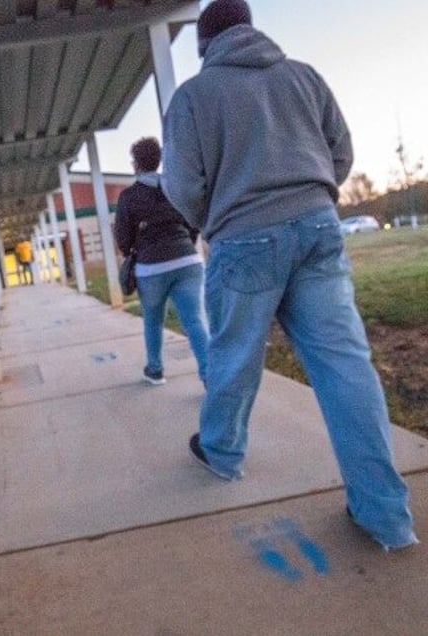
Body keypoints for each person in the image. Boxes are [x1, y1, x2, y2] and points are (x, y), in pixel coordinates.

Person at [161, 0, 417, 549]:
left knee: (235, 357)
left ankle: (224, 453)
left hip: (242, 240)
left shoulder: (193, 98)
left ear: (204, 46)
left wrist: (216, 221)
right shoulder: (304, 77)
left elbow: (181, 186)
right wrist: (313, 192)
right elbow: (341, 153)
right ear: (252, 30)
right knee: (346, 366)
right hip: (320, 230)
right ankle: (386, 517)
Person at [115, 137, 209, 386]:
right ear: (159, 160)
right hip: (189, 261)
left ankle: (155, 370)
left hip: (151, 267)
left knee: (154, 320)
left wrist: (135, 251)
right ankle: (211, 375)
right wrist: (183, 244)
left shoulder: (129, 196)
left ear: (136, 164)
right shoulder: (174, 189)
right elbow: (193, 221)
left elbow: (123, 238)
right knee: (195, 321)